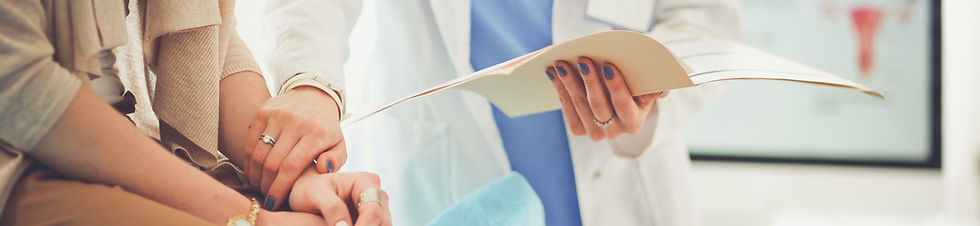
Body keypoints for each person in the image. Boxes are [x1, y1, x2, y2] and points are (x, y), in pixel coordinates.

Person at [261, 0, 738, 225]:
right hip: (450, 176)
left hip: (623, 185)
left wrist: (651, 94)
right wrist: (310, 83)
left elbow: (705, 20)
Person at [0, 0, 390, 225]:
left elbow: (210, 39)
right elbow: (22, 87)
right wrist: (253, 218)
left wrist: (293, 178)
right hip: (22, 164)